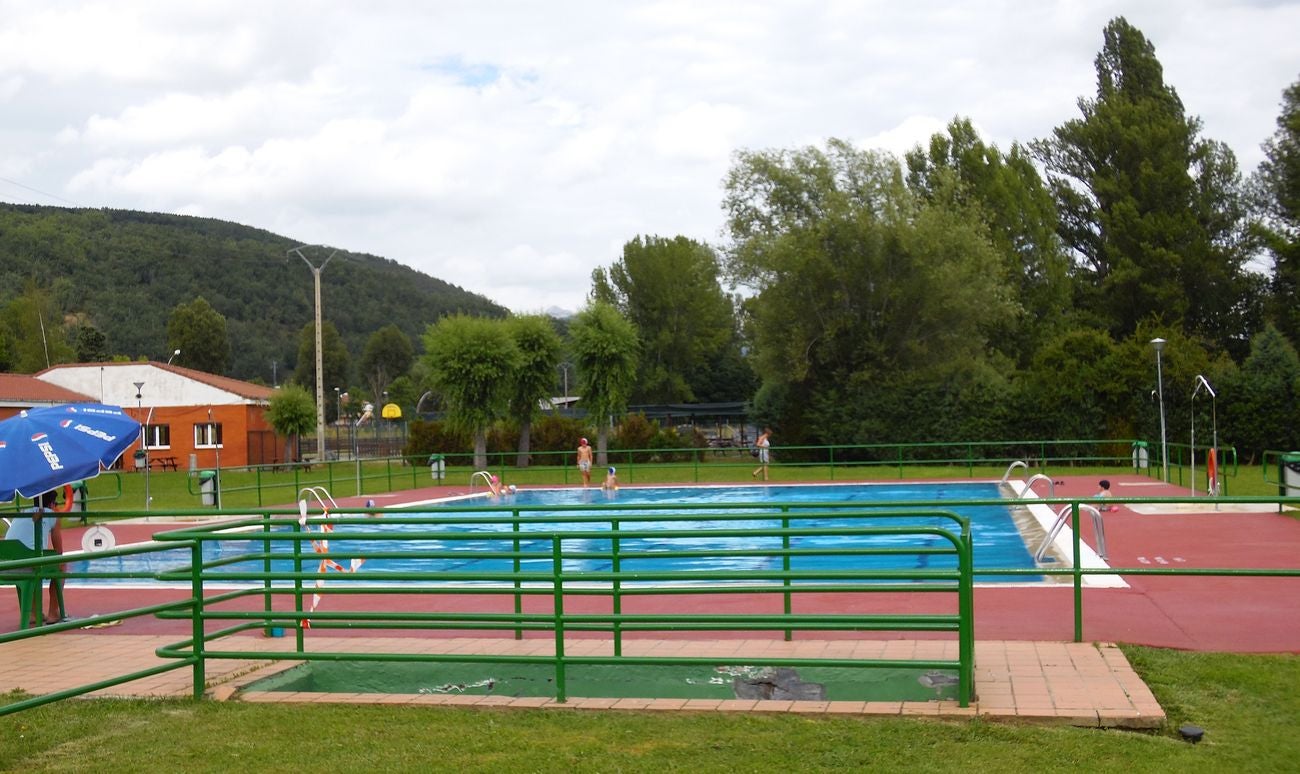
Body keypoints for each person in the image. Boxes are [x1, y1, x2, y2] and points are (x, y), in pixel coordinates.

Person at [4, 490, 66, 625]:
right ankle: (53, 613)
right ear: (51, 503)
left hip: (6, 565)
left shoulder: (21, 513)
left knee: (29, 560)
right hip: (30, 565)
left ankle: (32, 613)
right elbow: (59, 551)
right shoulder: (51, 514)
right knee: (61, 566)